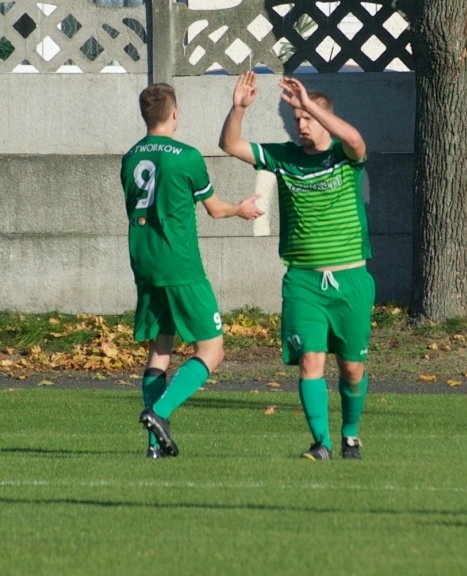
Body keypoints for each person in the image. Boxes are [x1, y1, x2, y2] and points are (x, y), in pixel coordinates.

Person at [220, 70, 373, 460]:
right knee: (310, 361)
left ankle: (350, 434)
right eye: (297, 120)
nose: (301, 125)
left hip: (352, 278)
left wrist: (311, 105)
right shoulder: (284, 158)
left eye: (306, 118)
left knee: (352, 368)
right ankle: (320, 443)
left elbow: (356, 140)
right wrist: (238, 108)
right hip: (303, 281)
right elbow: (230, 143)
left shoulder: (343, 156)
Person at [127, 83, 262, 458]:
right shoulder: (185, 156)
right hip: (180, 264)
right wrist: (242, 208)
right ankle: (160, 413)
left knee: (160, 347)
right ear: (174, 114)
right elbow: (215, 209)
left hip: (144, 263)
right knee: (212, 348)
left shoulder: (130, 156)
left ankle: (155, 447)